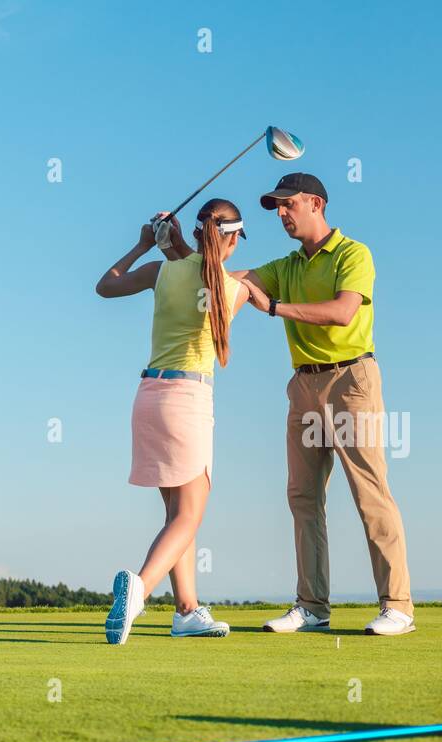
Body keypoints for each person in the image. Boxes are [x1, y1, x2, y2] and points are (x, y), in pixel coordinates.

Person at [161, 173, 415, 635]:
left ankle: (397, 605)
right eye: (276, 207)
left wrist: (275, 307)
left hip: (351, 379)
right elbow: (218, 279)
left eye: (288, 204)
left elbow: (342, 313)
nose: (281, 214)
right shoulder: (287, 265)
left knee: (369, 492)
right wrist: (178, 246)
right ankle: (313, 605)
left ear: (316, 203)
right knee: (302, 497)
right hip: (303, 386)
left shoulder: (354, 254)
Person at [93, 199, 250, 643]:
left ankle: (186, 611)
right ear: (233, 237)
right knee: (189, 517)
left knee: (175, 515)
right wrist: (175, 244)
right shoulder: (232, 287)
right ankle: (140, 590)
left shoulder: (161, 272)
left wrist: (146, 244)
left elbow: (106, 286)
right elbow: (205, 272)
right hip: (188, 401)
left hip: (148, 399)